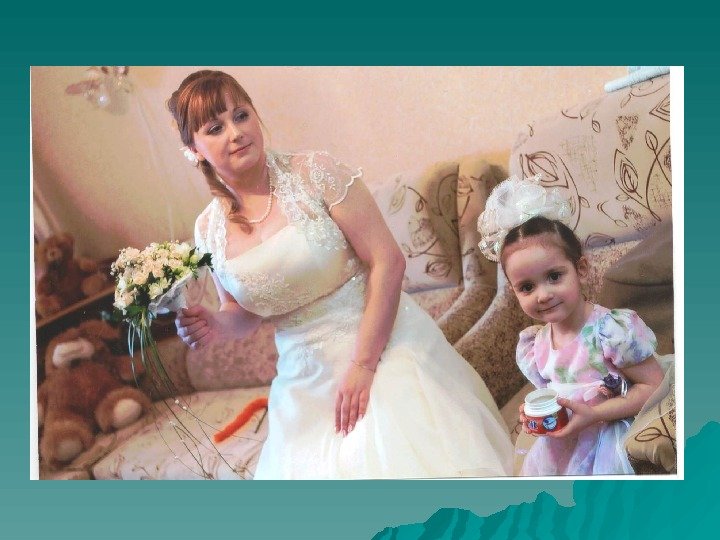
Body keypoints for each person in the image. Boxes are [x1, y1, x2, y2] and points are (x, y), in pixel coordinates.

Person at [168, 69, 513, 479]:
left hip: (382, 346)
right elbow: (243, 315)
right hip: (302, 381)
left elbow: (388, 261)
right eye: (215, 127)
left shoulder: (315, 172)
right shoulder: (208, 230)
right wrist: (215, 325)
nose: (236, 132)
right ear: (193, 149)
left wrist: (363, 365)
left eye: (241, 115)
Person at [478, 176, 666, 475]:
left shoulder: (611, 331)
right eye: (527, 287)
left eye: (554, 276)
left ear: (581, 269)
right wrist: (536, 412)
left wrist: (594, 413)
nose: (543, 295)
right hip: (562, 449)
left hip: (608, 442)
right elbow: (555, 394)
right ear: (513, 291)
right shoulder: (534, 344)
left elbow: (653, 385)